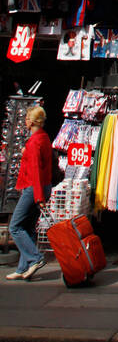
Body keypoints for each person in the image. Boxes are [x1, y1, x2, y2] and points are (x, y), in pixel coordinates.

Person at [7, 105, 52, 281]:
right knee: (28, 227)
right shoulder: (44, 138)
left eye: (27, 118)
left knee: (15, 227)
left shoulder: (34, 142)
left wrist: (39, 196)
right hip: (43, 186)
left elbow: (35, 171)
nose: (25, 120)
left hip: (34, 188)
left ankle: (35, 258)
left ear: (32, 121)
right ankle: (22, 267)